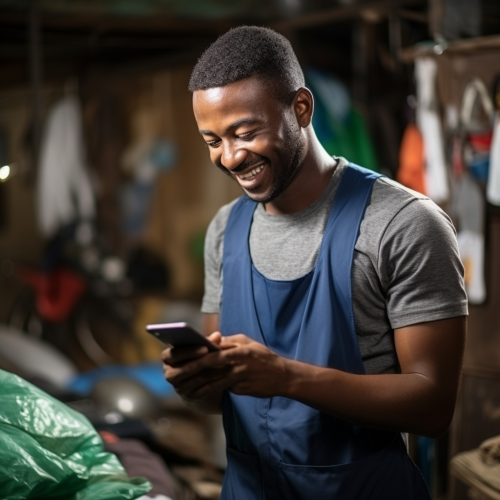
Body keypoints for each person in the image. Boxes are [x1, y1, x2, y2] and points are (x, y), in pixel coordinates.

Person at [162, 26, 467, 499]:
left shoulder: (401, 223)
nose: (230, 156)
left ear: (300, 108)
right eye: (212, 140)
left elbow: (433, 407)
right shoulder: (225, 230)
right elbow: (220, 396)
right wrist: (195, 382)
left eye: (245, 132)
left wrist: (285, 377)